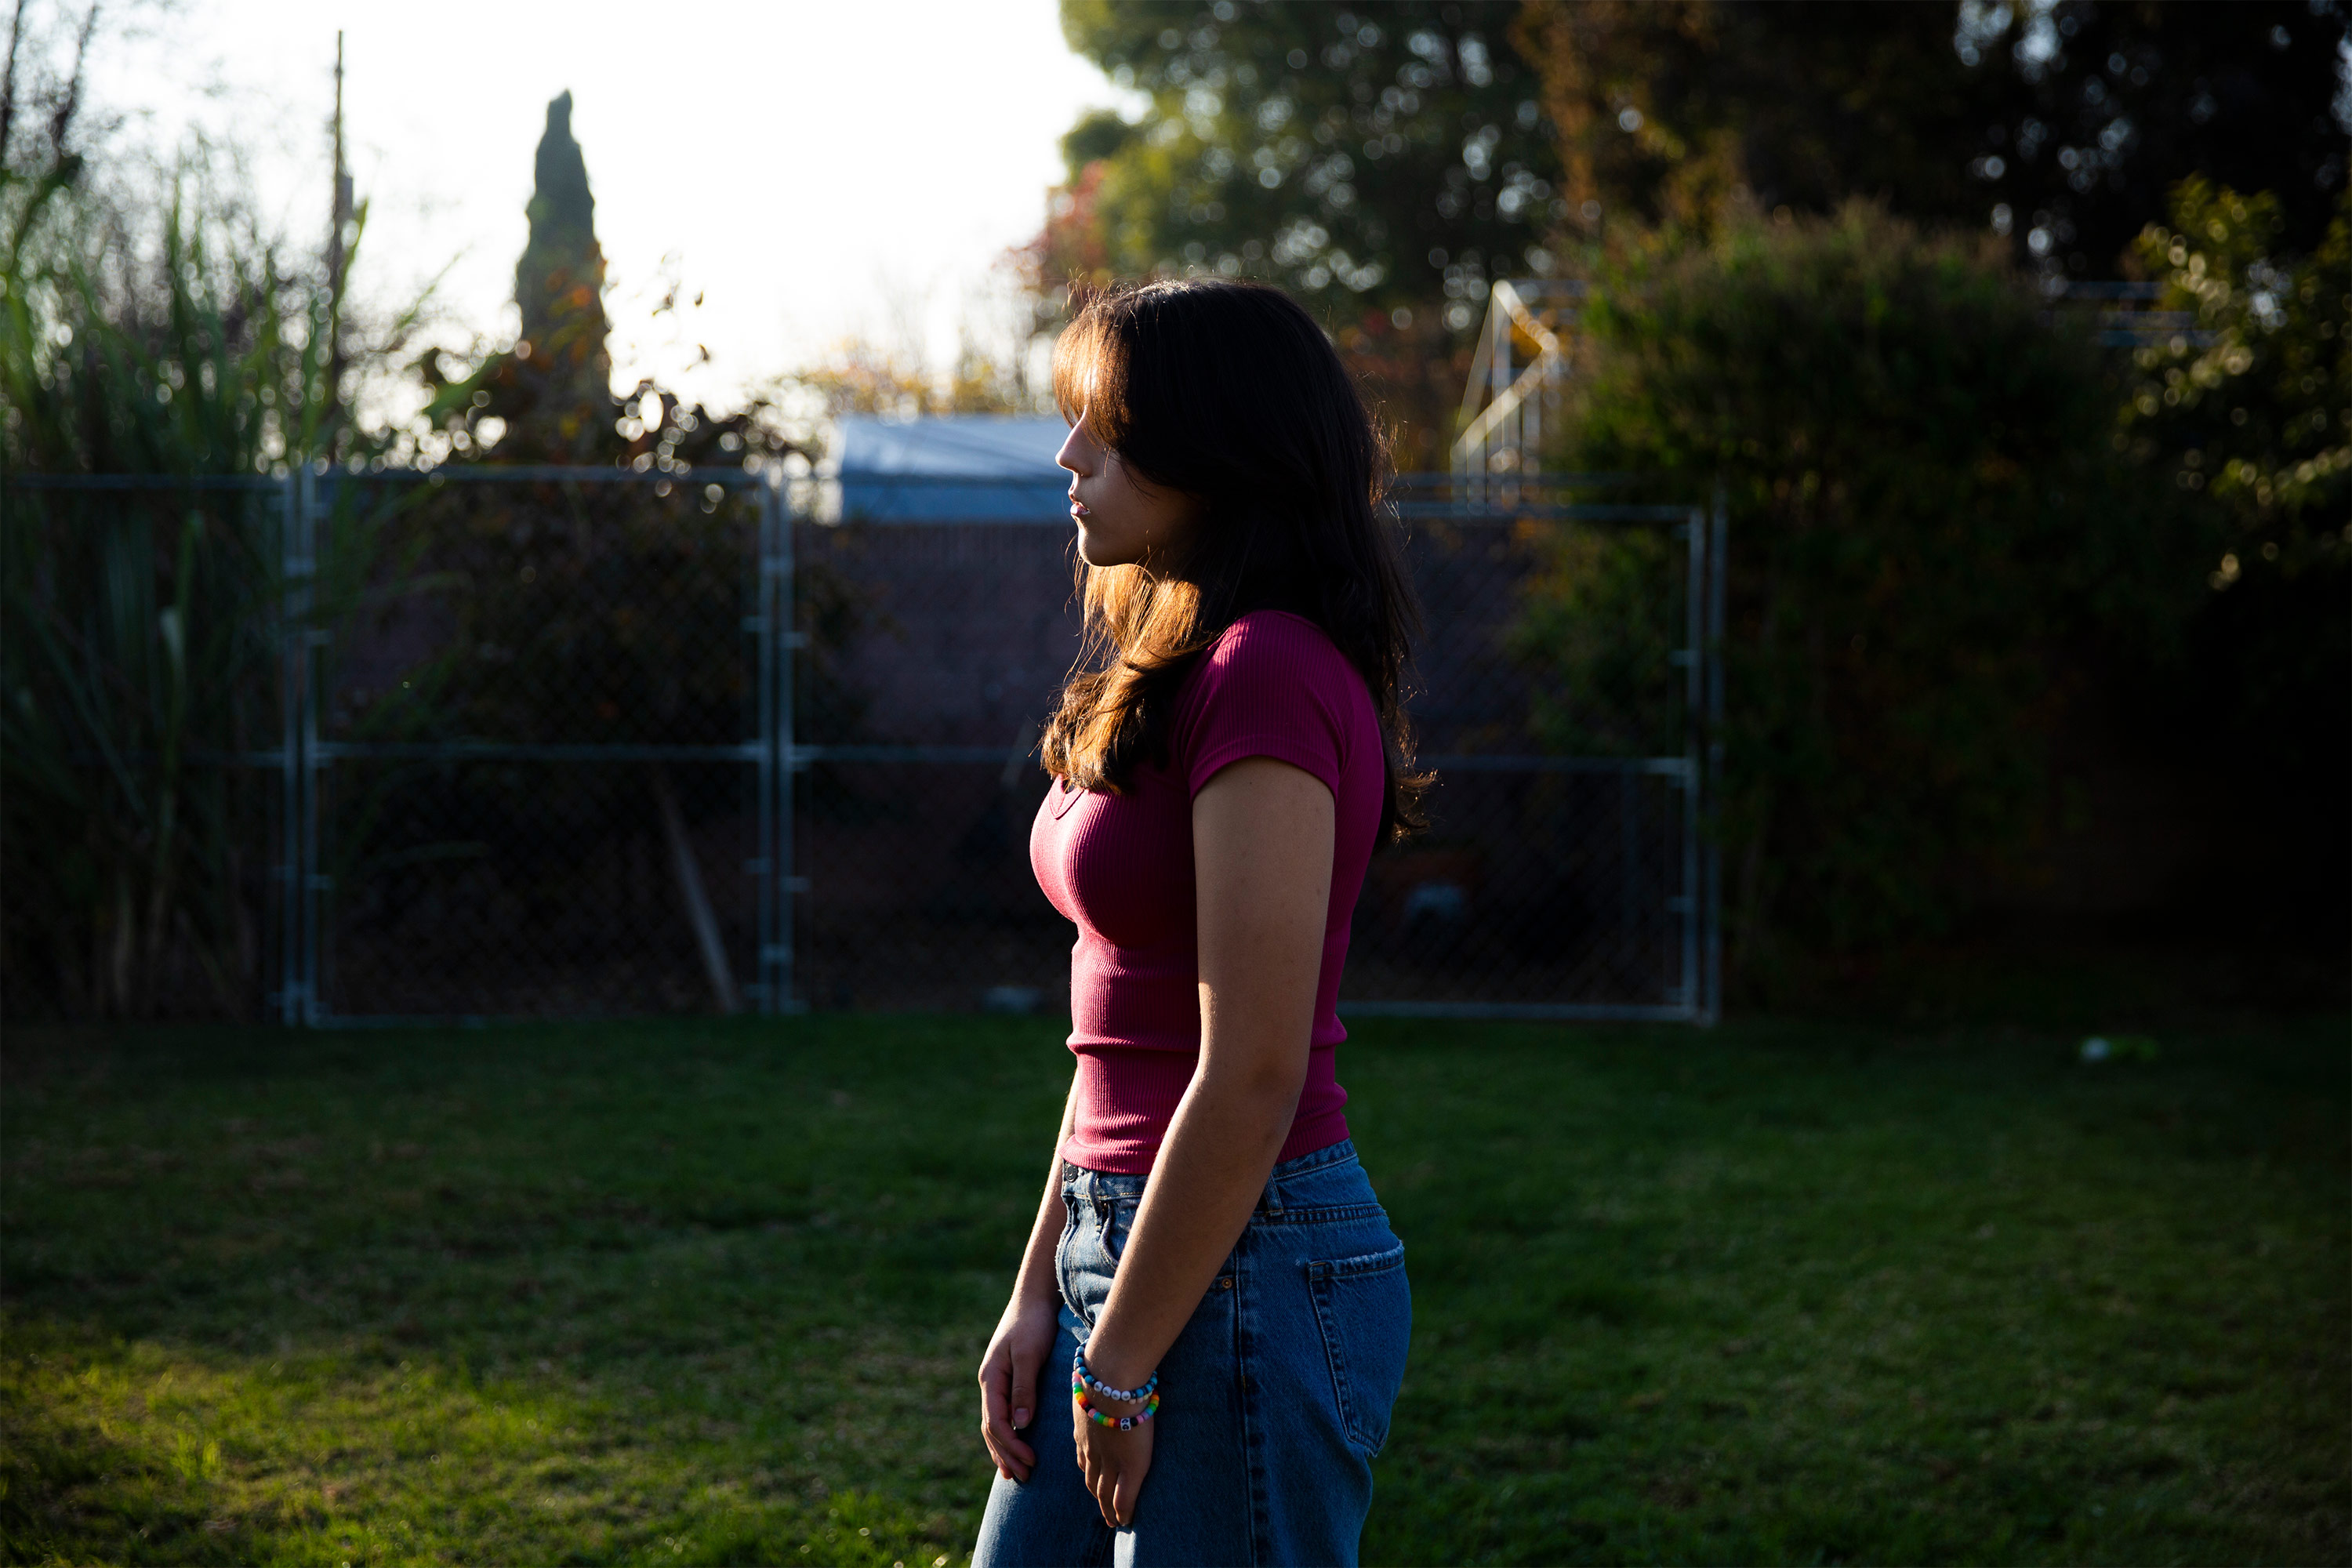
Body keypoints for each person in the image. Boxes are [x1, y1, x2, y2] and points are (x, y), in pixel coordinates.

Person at [973, 278, 1425, 1568]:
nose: (1068, 456)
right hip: (1121, 1250)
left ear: (1216, 450)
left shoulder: (1268, 670)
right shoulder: (1177, 661)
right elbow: (1117, 1032)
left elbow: (1250, 1072)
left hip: (1251, 1268)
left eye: (1104, 430)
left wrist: (1115, 1366)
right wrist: (1039, 1298)